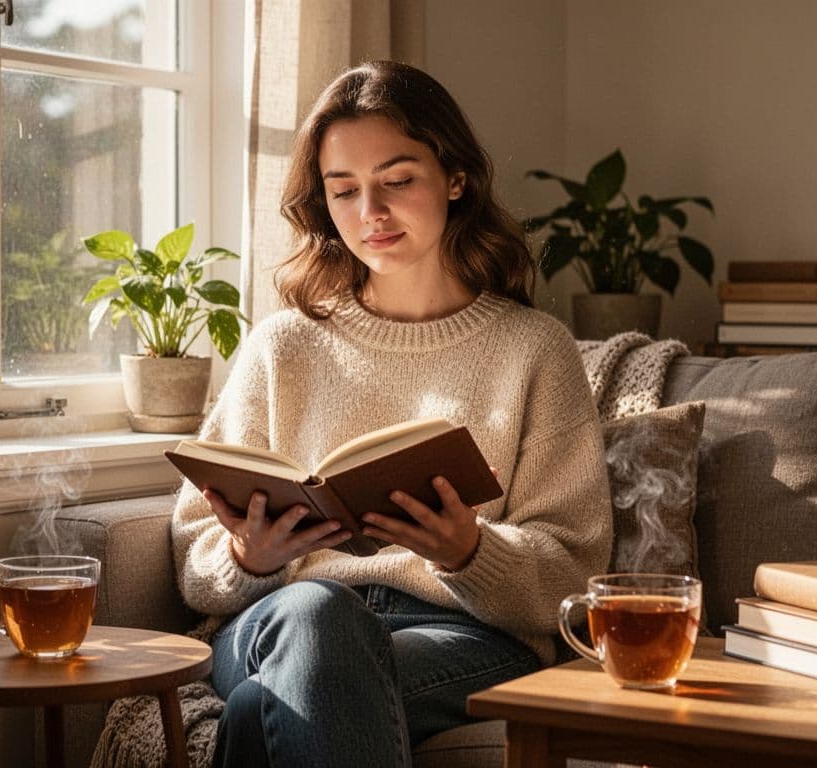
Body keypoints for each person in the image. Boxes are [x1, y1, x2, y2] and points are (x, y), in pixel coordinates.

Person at [171, 60, 611, 767]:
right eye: (343, 191)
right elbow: (193, 560)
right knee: (317, 624)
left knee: (264, 707)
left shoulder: (534, 350)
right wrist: (245, 558)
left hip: (461, 634)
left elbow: (573, 579)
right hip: (281, 619)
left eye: (397, 181)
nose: (369, 213)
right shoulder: (282, 345)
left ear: (455, 178)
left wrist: (471, 551)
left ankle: (269, 708)